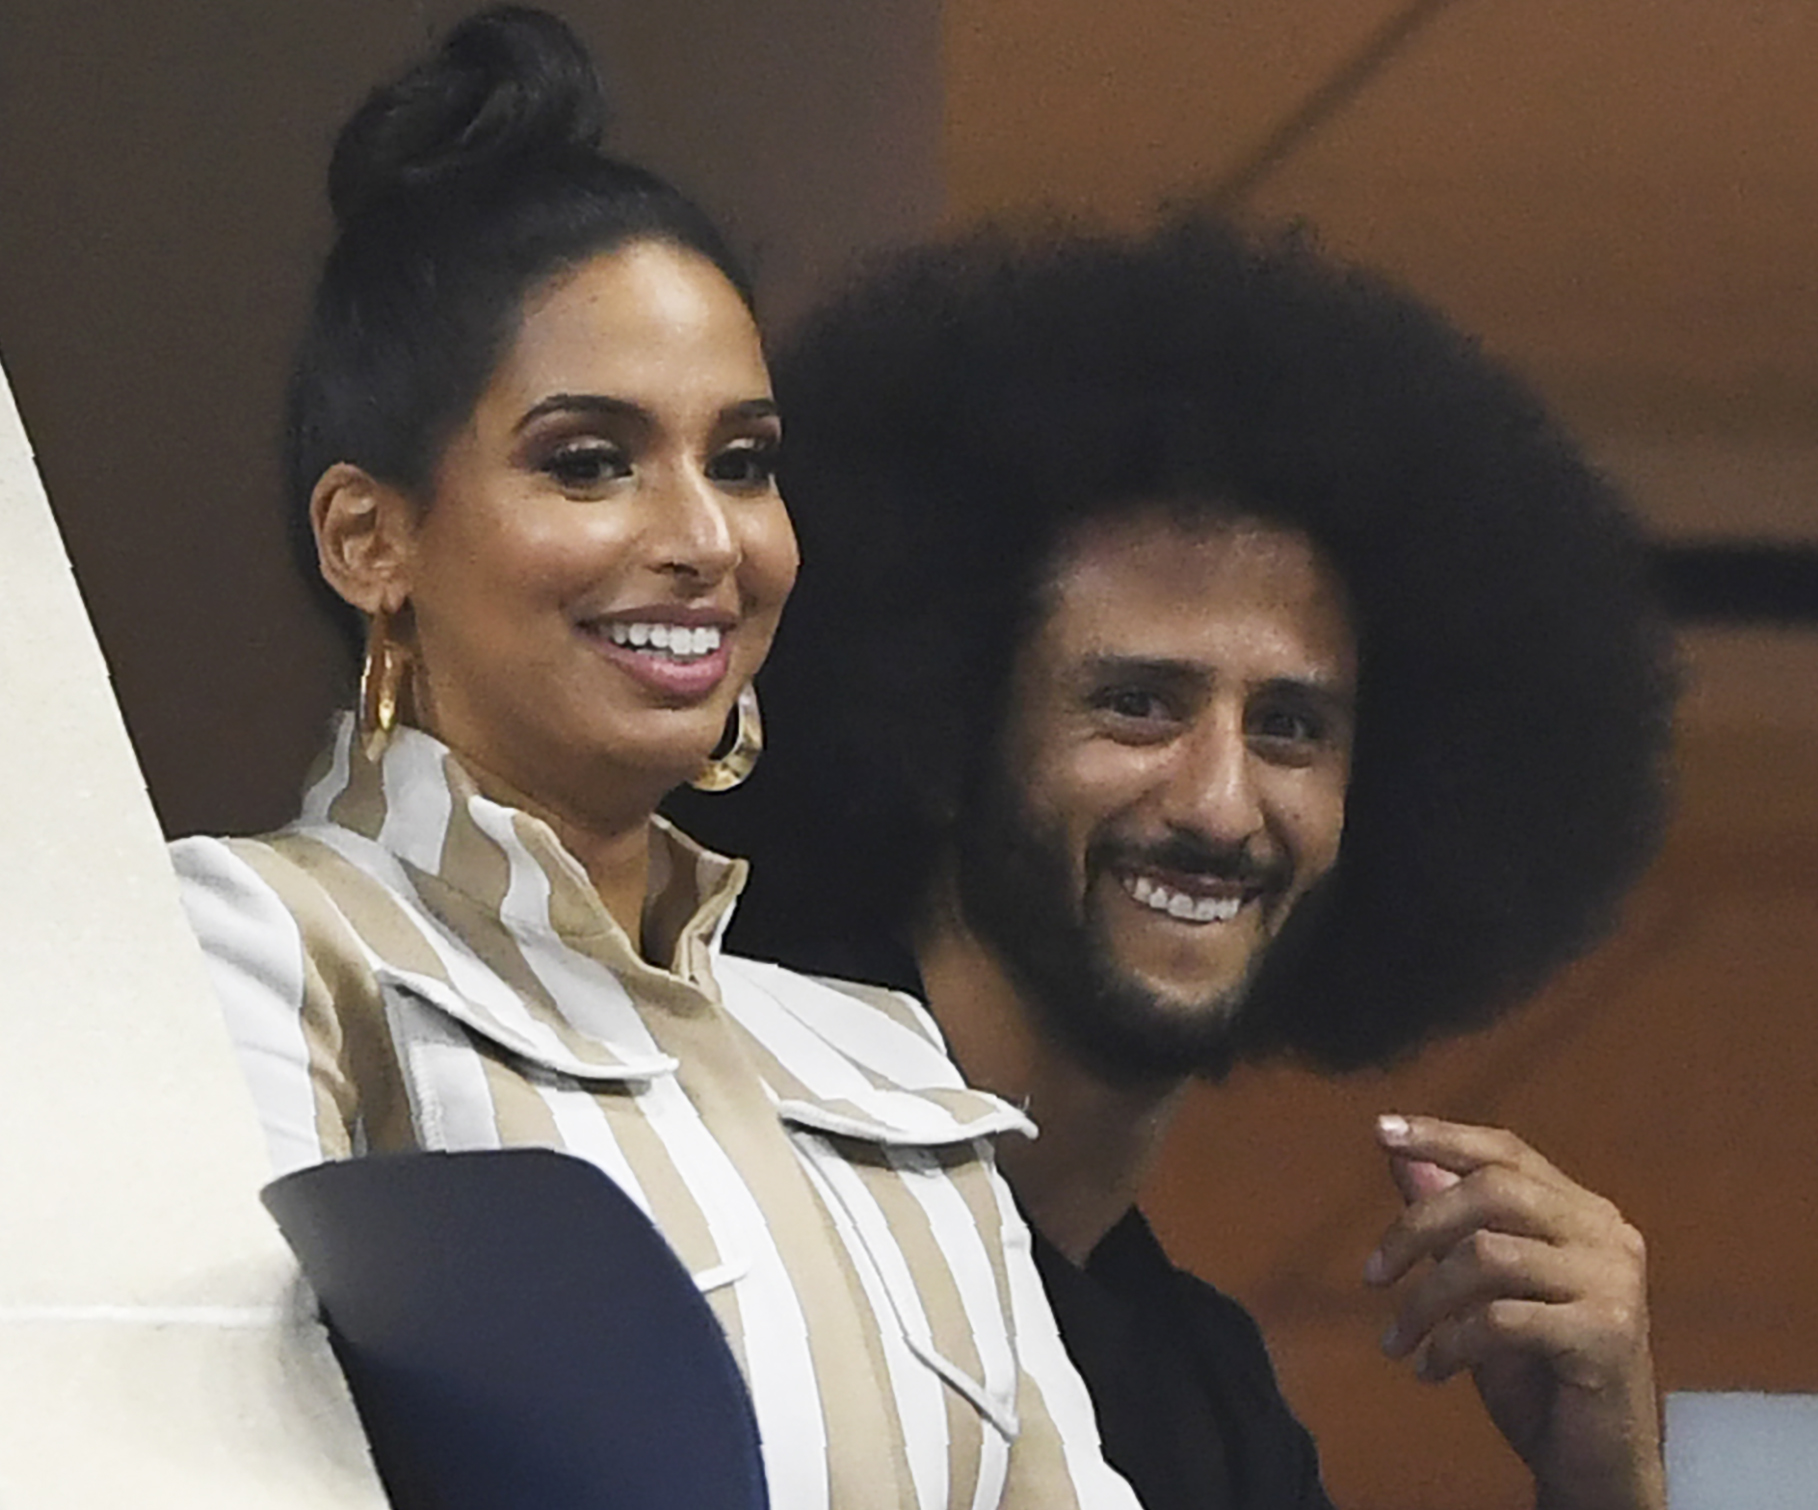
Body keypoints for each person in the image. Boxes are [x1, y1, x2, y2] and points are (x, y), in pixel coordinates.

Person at [169, 12, 1142, 1508]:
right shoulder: (256, 947)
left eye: (741, 461)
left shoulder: (880, 1062)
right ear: (372, 538)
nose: (703, 541)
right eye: (588, 460)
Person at [671, 221, 1679, 1510]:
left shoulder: (1205, 1402)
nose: (1219, 804)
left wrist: (1606, 1487)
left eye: (1290, 729)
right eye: (1139, 707)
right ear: (939, 724)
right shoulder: (723, 1190)